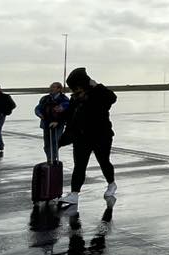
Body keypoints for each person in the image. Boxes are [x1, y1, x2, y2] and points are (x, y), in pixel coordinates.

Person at [60, 67, 117, 206]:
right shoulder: (75, 99)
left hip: (101, 136)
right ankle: (74, 194)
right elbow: (70, 119)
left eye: (77, 88)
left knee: (104, 161)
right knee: (79, 166)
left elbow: (112, 98)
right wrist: (63, 138)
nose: (75, 91)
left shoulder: (99, 94)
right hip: (81, 137)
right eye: (74, 89)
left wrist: (97, 85)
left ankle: (111, 184)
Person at [35, 82, 70, 162]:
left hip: (58, 124)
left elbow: (65, 112)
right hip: (46, 123)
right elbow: (38, 108)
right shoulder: (45, 98)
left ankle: (53, 159)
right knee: (47, 144)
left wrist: (58, 120)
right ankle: (49, 159)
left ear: (59, 89)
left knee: (55, 142)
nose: (52, 88)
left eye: (54, 87)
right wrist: (39, 114)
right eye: (51, 87)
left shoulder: (64, 99)